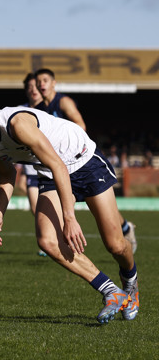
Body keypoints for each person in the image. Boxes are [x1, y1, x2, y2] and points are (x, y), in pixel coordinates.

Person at [0, 89, 139, 324]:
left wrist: (69, 218)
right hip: (51, 172)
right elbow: (7, 173)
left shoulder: (17, 124)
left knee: (116, 245)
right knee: (48, 241)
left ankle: (130, 279)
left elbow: (59, 165)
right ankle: (112, 291)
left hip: (83, 161)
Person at [34, 68, 137, 252]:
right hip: (60, 166)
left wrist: (64, 143)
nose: (41, 84)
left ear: (53, 83)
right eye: (38, 81)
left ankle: (126, 228)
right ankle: (51, 239)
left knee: (102, 213)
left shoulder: (63, 102)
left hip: (80, 161)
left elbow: (80, 124)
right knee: (66, 202)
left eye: (45, 80)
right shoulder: (39, 110)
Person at [18, 73, 47, 257]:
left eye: (35, 86)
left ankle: (52, 240)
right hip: (30, 169)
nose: (33, 89)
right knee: (35, 208)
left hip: (49, 167)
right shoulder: (20, 111)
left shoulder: (50, 109)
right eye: (29, 86)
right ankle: (47, 242)